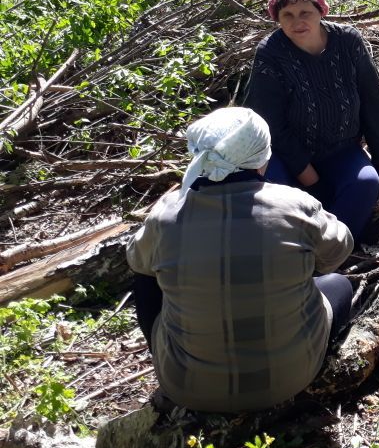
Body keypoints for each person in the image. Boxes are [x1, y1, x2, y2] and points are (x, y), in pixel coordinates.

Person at [126, 107, 354, 413]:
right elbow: (337, 252)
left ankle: (169, 355)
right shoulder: (295, 205)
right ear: (263, 158)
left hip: (187, 387)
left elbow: (135, 259)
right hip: (292, 378)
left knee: (145, 274)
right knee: (338, 284)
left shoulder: (166, 214)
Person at [244, 0, 379, 239]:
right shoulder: (271, 53)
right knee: (269, 194)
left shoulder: (347, 41)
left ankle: (330, 251)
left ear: (321, 11)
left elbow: (373, 100)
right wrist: (310, 179)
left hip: (339, 149)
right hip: (285, 155)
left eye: (305, 13)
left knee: (365, 183)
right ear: (277, 18)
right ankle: (287, 250)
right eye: (287, 14)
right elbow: (269, 123)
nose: (297, 21)